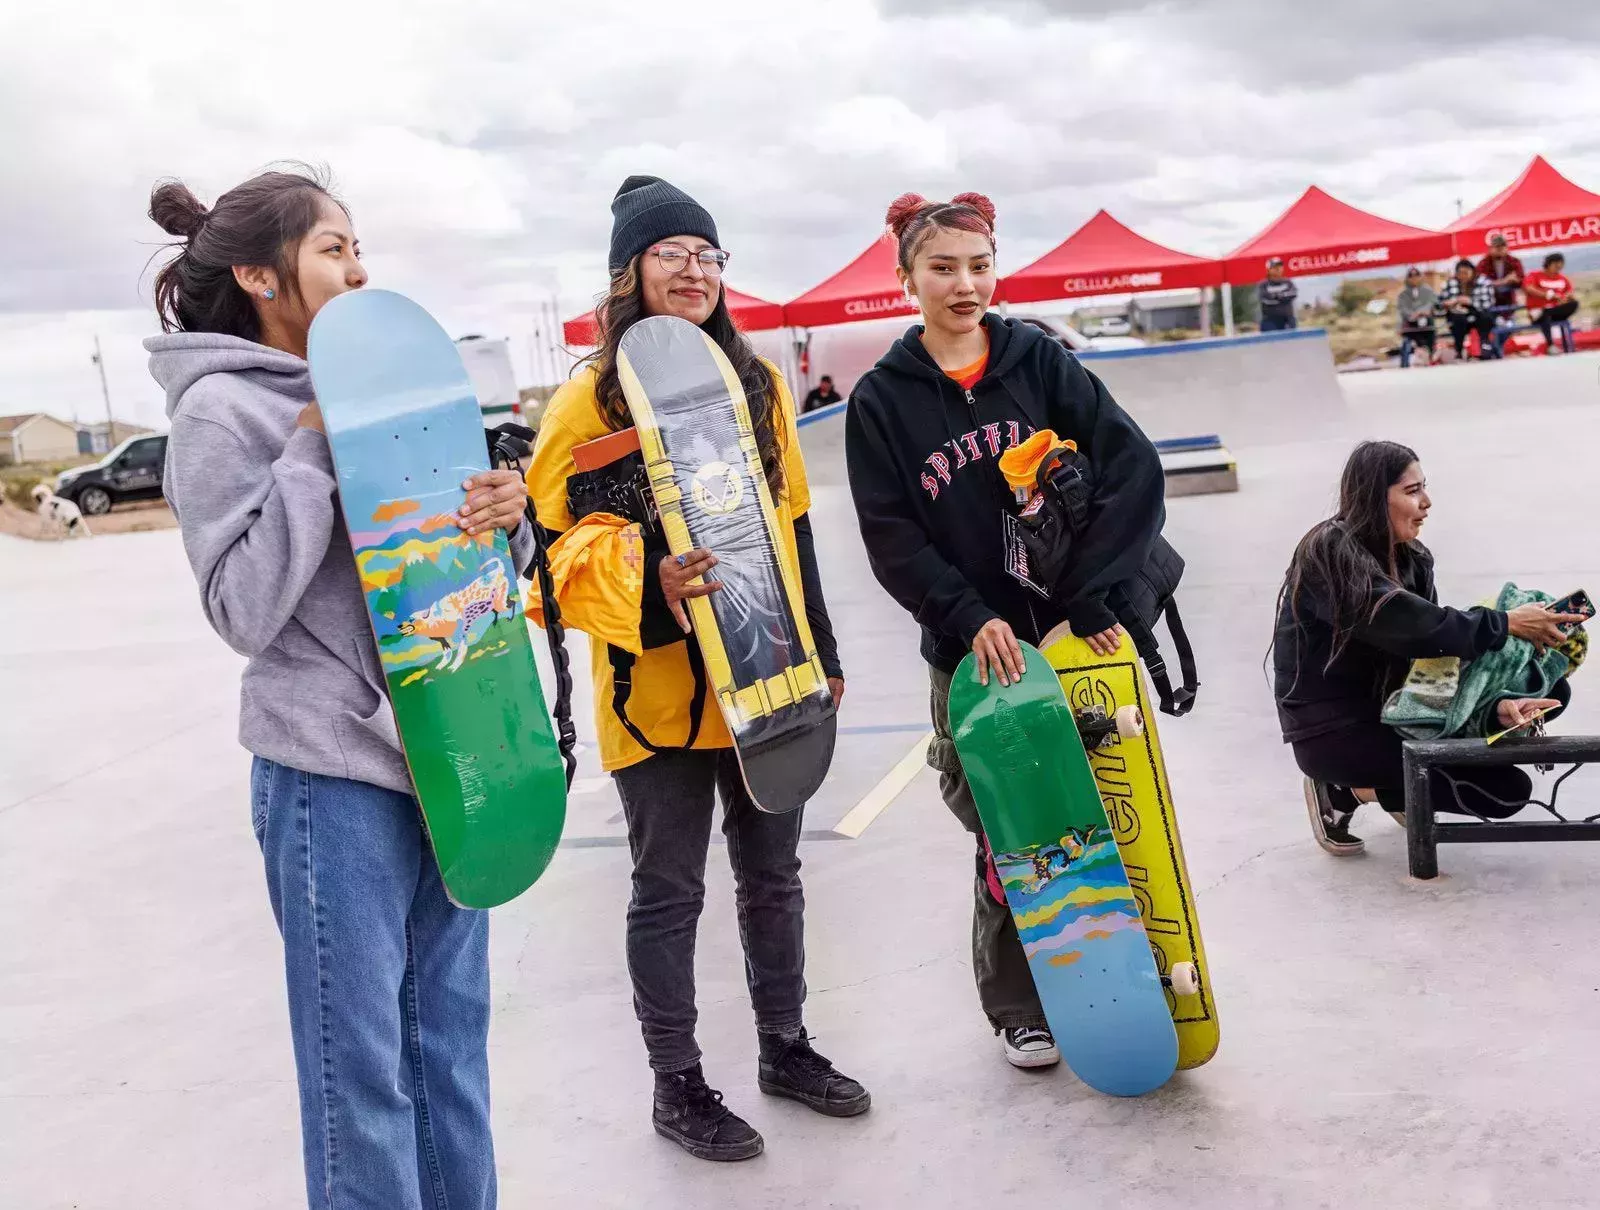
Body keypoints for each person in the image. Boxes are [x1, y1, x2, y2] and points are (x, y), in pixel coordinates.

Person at [146, 168, 531, 1209]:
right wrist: (317, 442)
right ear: (264, 277)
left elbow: (460, 571)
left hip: (454, 757)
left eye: (358, 247)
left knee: (450, 1052)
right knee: (360, 1077)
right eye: (332, 250)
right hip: (331, 775)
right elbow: (240, 608)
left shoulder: (405, 381)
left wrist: (508, 518)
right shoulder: (221, 414)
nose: (358, 270)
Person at [524, 175, 868, 1163]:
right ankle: (677, 1085)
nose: (694, 271)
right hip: (657, 690)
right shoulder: (584, 401)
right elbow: (547, 559)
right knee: (668, 888)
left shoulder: (754, 387)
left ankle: (785, 1047)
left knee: (774, 877)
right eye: (671, 253)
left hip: (764, 668)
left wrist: (824, 653)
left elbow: (791, 523)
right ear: (629, 273)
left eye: (708, 255)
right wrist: (647, 583)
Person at [844, 192, 1165, 1070]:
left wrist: (1094, 597)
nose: (965, 283)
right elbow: (891, 537)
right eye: (943, 267)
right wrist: (970, 615)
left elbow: (1133, 467)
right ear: (905, 275)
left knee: (1108, 810)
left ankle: (1136, 970)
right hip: (973, 654)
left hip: (1070, 637)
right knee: (1007, 825)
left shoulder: (1039, 362)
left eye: (979, 265)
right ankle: (1020, 1003)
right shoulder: (882, 399)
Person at [1272, 441, 1581, 855]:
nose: (1426, 502)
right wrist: (1508, 622)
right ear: (1372, 496)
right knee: (1502, 791)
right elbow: (1421, 631)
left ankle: (1398, 785)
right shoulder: (1330, 552)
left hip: (1399, 710)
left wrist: (1495, 707)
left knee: (1548, 698)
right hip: (1337, 730)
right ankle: (1343, 792)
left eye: (1424, 488)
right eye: (1412, 491)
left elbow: (1430, 666)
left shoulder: (1414, 557)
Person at [1439, 258, 1498, 360]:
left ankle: (1485, 347)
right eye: (1460, 273)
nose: (1463, 276)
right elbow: (1441, 302)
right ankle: (1459, 350)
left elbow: (1488, 303)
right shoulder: (1451, 283)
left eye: (1466, 273)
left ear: (1472, 271)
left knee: (1486, 317)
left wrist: (1470, 301)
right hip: (1458, 316)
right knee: (1458, 319)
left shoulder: (1483, 281)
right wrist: (1452, 302)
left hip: (1478, 314)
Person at [1524, 251, 1579, 352]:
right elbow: (1529, 288)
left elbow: (1570, 293)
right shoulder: (1534, 275)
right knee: (1545, 316)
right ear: (1548, 264)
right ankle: (1551, 345)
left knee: (1574, 304)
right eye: (1556, 265)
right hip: (1537, 312)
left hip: (1554, 310)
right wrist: (1547, 295)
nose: (1558, 268)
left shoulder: (1563, 279)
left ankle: (1547, 313)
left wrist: (1567, 298)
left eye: (1560, 266)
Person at [1395, 267, 1439, 365]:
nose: (1414, 278)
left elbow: (1433, 303)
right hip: (1410, 322)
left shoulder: (1428, 291)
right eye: (1411, 276)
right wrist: (1412, 315)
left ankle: (1431, 355)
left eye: (1416, 276)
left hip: (1426, 322)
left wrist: (1422, 312)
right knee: (1410, 335)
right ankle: (1416, 355)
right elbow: (1402, 309)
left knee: (1429, 330)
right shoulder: (1403, 294)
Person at [1475, 234, 1524, 311]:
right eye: (1497, 247)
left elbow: (1520, 279)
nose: (1500, 249)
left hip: (1510, 298)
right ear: (1491, 248)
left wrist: (1495, 283)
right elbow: (1481, 282)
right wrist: (1505, 281)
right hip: (1489, 299)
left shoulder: (1514, 262)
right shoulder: (1483, 263)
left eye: (1502, 246)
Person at [1257, 257, 1299, 331]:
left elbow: (1293, 294)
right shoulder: (1263, 284)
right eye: (1275, 267)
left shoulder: (1288, 282)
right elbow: (1266, 299)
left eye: (1280, 267)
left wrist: (1277, 296)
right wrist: (1283, 296)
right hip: (1270, 321)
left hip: (1288, 320)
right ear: (1268, 270)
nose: (1278, 269)